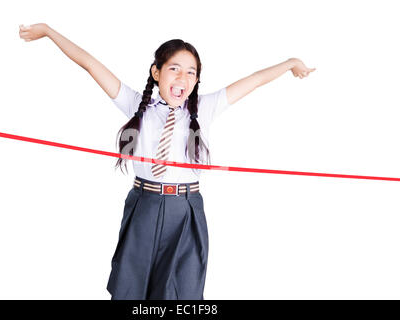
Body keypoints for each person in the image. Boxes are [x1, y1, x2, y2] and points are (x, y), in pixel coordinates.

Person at [18, 23, 315, 300]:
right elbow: (90, 64)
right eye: (174, 69)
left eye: (191, 72)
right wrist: (47, 32)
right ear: (156, 72)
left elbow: (254, 81)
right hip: (144, 204)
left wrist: (290, 63)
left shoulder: (205, 108)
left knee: (179, 293)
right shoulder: (137, 104)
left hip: (185, 211)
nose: (182, 78)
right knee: (131, 288)